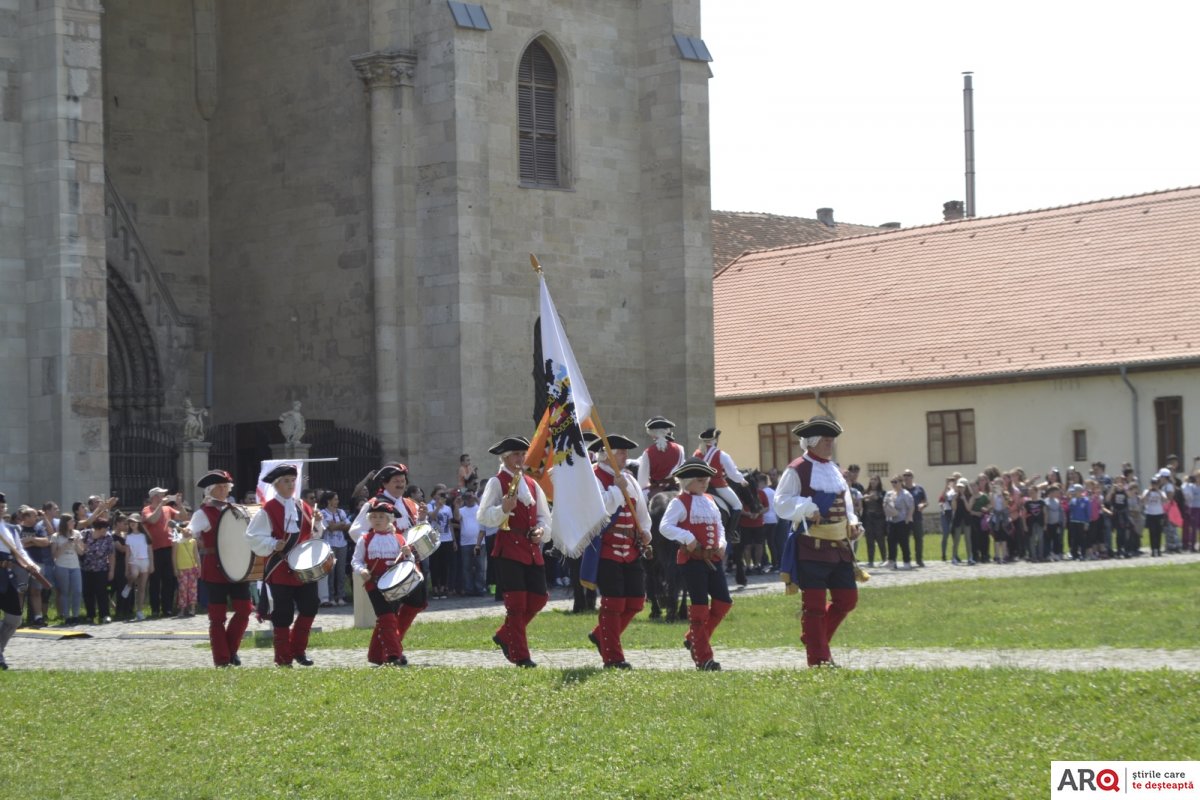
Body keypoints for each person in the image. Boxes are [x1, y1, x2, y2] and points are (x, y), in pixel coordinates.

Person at [773, 416, 863, 668]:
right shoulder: (797, 468)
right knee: (813, 607)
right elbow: (781, 503)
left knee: (847, 600)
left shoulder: (834, 469)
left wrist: (854, 522)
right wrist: (806, 507)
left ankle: (815, 638)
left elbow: (846, 505)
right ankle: (819, 659)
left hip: (840, 547)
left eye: (831, 439)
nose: (830, 444)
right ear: (811, 442)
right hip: (810, 547)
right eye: (825, 440)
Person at [478, 436, 552, 668]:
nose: (520, 459)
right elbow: (483, 516)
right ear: (506, 458)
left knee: (539, 598)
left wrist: (541, 531)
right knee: (517, 604)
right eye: (516, 455)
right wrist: (503, 509)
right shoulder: (496, 482)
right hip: (508, 547)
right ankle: (521, 655)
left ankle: (504, 634)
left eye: (522, 454)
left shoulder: (532, 483)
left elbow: (543, 515)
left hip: (530, 547)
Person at [349, 464, 428, 665]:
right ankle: (388, 651)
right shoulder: (374, 504)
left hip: (409, 563)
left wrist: (422, 520)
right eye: (396, 481)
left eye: (403, 481)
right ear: (384, 484)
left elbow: (414, 532)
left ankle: (385, 649)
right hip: (385, 569)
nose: (401, 484)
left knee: (417, 602)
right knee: (388, 612)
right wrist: (380, 542)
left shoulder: (410, 504)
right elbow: (356, 530)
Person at [585, 434, 652, 669]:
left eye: (625, 452)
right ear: (607, 454)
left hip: (630, 548)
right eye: (620, 452)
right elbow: (599, 509)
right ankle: (613, 657)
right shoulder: (593, 477)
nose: (625, 456)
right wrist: (616, 489)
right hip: (605, 549)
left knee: (635, 601)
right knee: (613, 604)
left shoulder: (629, 479)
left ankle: (601, 635)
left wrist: (645, 531)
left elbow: (641, 511)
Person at [246, 464, 322, 667]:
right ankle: (283, 657)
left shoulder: (302, 506)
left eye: (292, 481)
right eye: (285, 481)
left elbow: (312, 535)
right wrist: (272, 543)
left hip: (303, 569)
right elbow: (252, 537)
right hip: (279, 568)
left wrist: (318, 523)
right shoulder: (267, 510)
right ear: (277, 485)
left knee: (310, 606)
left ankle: (298, 650)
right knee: (283, 614)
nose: (290, 485)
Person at [659, 458, 731, 671]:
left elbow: (719, 526)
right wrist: (687, 537)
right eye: (700, 480)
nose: (705, 483)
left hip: (714, 559)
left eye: (706, 479)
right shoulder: (679, 502)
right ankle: (704, 658)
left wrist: (722, 543)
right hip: (692, 562)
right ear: (688, 481)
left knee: (723, 602)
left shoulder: (710, 499)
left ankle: (694, 638)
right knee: (699, 609)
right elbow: (665, 526)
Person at [186, 470, 253, 666]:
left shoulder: (236, 510)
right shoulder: (202, 513)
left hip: (238, 565)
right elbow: (190, 530)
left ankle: (230, 649)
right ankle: (222, 658)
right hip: (214, 568)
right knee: (217, 617)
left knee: (244, 610)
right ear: (211, 490)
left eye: (226, 487)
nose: (224, 491)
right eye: (220, 487)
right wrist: (185, 532)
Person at [352, 498, 418, 667]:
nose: (377, 520)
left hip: (395, 585)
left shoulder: (399, 539)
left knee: (388, 619)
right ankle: (394, 654)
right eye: (374, 517)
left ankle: (375, 655)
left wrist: (407, 554)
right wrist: (362, 571)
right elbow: (356, 561)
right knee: (387, 618)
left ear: (389, 519)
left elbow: (409, 561)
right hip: (374, 585)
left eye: (381, 516)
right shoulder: (364, 539)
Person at [1, 492, 46, 668]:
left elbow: (20, 551)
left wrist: (31, 565)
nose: (1, 509)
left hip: (6, 575)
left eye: (3, 507)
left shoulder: (10, 529)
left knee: (14, 619)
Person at [693, 428, 750, 538]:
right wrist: (742, 480)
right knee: (737, 505)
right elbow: (732, 473)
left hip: (698, 486)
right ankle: (730, 533)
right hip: (717, 485)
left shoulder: (696, 453)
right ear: (715, 440)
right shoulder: (721, 454)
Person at [142, 487, 181, 619]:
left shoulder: (168, 508)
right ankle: (155, 609)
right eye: (161, 495)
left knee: (169, 579)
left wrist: (180, 504)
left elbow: (183, 516)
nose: (165, 496)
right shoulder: (147, 509)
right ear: (155, 496)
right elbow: (152, 520)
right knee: (155, 581)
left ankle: (167, 608)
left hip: (169, 547)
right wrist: (160, 505)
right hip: (154, 550)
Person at [634, 416, 685, 497]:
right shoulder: (680, 448)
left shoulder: (647, 452)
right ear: (667, 431)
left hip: (655, 490)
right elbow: (682, 473)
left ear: (652, 435)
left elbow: (642, 482)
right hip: (676, 488)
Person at [317, 492, 350, 606]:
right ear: (329, 500)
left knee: (341, 572)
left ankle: (341, 596)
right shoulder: (323, 513)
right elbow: (329, 528)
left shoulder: (341, 512)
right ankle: (330, 597)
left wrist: (337, 525)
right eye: (335, 499)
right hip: (329, 545)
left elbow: (349, 526)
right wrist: (340, 525)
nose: (337, 501)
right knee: (331, 572)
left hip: (342, 544)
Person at [79, 516, 115, 624]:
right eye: (105, 528)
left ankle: (104, 615)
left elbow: (111, 554)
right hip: (86, 569)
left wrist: (111, 570)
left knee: (102, 592)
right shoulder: (85, 534)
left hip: (101, 568)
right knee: (88, 592)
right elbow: (79, 547)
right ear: (99, 528)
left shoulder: (108, 537)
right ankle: (90, 615)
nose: (106, 530)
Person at [50, 513, 84, 624]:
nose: (74, 523)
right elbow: (54, 554)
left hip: (75, 565)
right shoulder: (56, 536)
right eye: (71, 521)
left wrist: (76, 543)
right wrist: (66, 544)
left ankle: (76, 615)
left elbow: (81, 552)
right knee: (64, 592)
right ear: (65, 523)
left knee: (77, 591)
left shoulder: (77, 533)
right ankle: (67, 616)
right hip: (62, 565)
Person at [458, 490, 487, 596]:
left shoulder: (479, 508)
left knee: (480, 566)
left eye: (471, 497)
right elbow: (456, 518)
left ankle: (480, 588)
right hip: (465, 543)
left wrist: (477, 499)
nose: (469, 499)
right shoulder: (461, 510)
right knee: (467, 567)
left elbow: (484, 511)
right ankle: (468, 589)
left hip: (479, 543)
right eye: (467, 497)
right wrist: (457, 505)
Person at [125, 514, 153, 621]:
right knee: (134, 574)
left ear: (138, 523)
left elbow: (150, 551)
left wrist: (151, 564)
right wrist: (126, 568)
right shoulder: (128, 537)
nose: (132, 524)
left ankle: (139, 610)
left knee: (142, 587)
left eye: (134, 522)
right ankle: (129, 585)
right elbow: (127, 553)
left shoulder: (144, 536)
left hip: (145, 561)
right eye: (130, 522)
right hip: (134, 561)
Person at [901, 469, 927, 567]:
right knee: (905, 539)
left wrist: (922, 505)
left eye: (908, 475)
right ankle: (907, 559)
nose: (906, 477)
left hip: (917, 517)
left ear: (912, 477)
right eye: (904, 475)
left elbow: (925, 501)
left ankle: (919, 559)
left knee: (918, 539)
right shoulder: (901, 489)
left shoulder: (919, 489)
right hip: (905, 518)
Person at [173, 522, 200, 617]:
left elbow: (196, 554)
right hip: (182, 568)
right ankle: (182, 609)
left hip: (192, 567)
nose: (189, 531)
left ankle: (192, 608)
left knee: (192, 589)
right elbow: (174, 556)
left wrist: (199, 567)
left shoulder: (193, 541)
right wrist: (175, 569)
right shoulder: (177, 541)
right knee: (182, 589)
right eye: (187, 529)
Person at [861, 475, 887, 567]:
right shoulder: (865, 492)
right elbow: (861, 505)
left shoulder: (883, 492)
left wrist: (877, 498)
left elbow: (884, 503)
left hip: (879, 519)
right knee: (869, 540)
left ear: (879, 481)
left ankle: (884, 559)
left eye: (875, 479)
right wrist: (864, 498)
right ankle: (870, 561)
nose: (873, 481)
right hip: (868, 519)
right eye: (871, 479)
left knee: (881, 540)